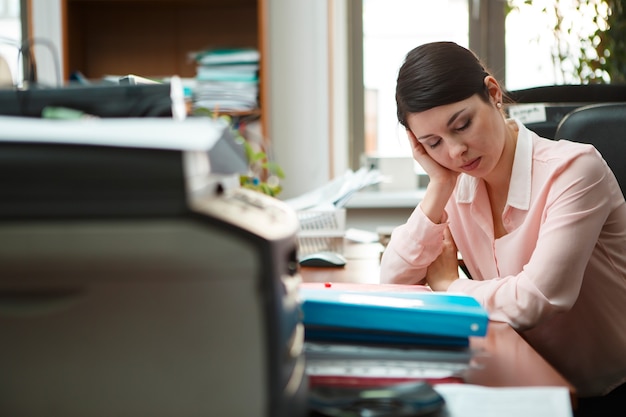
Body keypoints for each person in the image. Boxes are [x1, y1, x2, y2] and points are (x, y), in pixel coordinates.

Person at [379, 41, 626, 416]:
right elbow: (392, 281)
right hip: (517, 377)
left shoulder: (575, 171)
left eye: (462, 125)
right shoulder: (456, 181)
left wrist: (449, 287)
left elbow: (536, 299)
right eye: (433, 143)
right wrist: (439, 186)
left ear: (493, 93)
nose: (455, 152)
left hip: (603, 391)